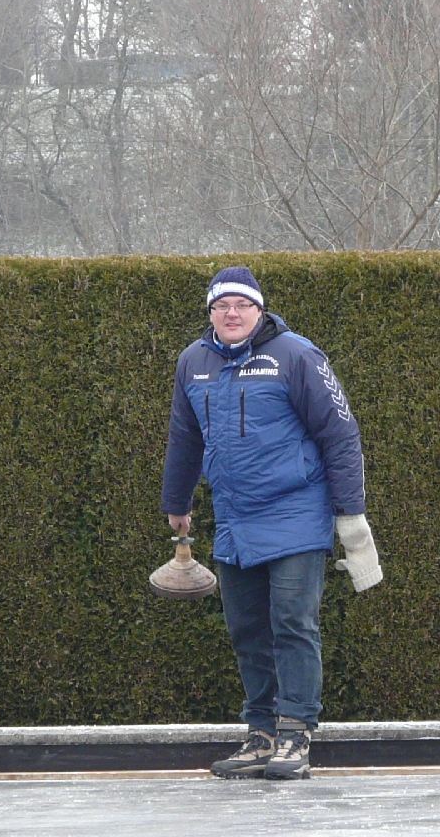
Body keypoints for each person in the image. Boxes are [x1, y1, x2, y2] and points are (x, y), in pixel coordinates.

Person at [162, 266, 382, 782]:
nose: (232, 314)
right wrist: (177, 502)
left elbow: (340, 435)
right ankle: (260, 734)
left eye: (242, 305)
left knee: (292, 623)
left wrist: (350, 515)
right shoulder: (193, 361)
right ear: (210, 313)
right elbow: (184, 436)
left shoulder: (296, 355)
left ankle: (295, 733)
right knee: (246, 629)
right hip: (234, 518)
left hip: (297, 512)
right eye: (222, 306)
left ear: (259, 311)